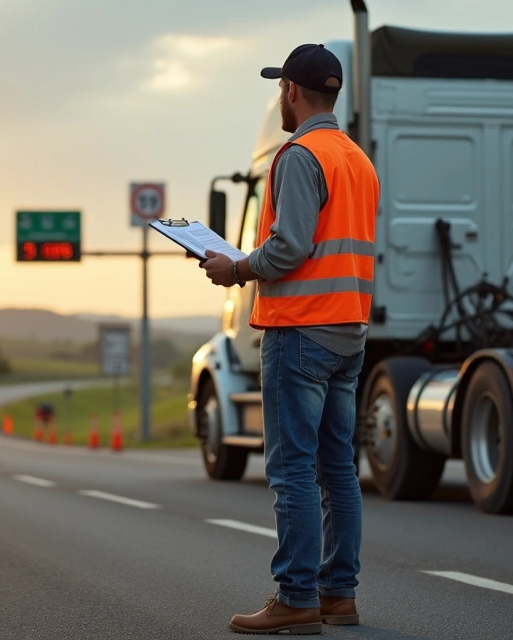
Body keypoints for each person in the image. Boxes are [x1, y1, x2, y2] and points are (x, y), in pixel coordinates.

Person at [198, 43, 379, 635]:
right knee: (338, 468)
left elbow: (290, 247)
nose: (280, 96)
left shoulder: (299, 155)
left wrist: (236, 268)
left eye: (281, 87)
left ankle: (297, 597)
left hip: (299, 329)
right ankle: (338, 595)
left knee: (293, 469)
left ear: (292, 91)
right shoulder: (357, 159)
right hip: (348, 330)